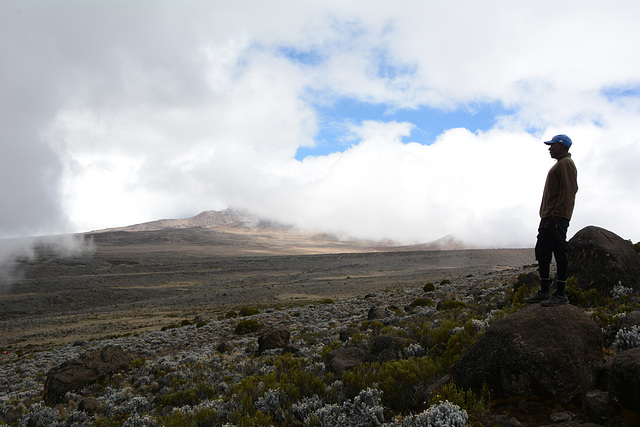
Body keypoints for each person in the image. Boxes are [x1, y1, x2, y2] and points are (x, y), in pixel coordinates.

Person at [525, 134, 578, 307]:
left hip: (556, 217)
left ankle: (560, 293)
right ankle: (545, 290)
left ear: (562, 146)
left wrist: (557, 215)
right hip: (549, 217)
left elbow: (569, 190)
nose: (549, 148)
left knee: (560, 253)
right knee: (543, 251)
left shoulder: (566, 164)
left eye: (552, 145)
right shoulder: (559, 164)